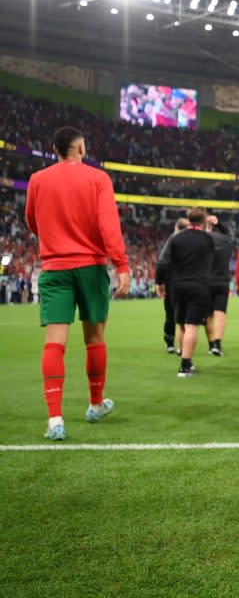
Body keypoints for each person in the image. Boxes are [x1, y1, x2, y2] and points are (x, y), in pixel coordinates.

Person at [25, 126, 131, 441]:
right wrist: (121, 264)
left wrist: (54, 236)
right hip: (91, 267)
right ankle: (96, 405)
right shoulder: (98, 179)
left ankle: (55, 419)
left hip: (55, 268)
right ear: (81, 148)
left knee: (54, 343)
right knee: (95, 339)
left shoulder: (38, 179)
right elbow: (107, 224)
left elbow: (32, 220)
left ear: (54, 149)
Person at [156, 206, 216, 378]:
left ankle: (184, 357)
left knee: (181, 324)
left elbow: (163, 263)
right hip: (199, 284)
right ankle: (185, 365)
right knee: (192, 325)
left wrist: (160, 283)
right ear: (203, 221)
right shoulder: (208, 239)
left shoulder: (176, 239)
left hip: (177, 286)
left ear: (189, 219)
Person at [204, 215, 236, 357]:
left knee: (208, 315)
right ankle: (218, 344)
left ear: (209, 228)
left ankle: (211, 345)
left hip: (206, 281)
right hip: (222, 281)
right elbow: (228, 233)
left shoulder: (204, 239)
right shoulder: (227, 240)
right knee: (220, 313)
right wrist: (219, 223)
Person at [158, 216, 188, 354]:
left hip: (172, 282)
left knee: (170, 314)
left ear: (176, 228)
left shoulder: (172, 241)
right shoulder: (192, 241)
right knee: (185, 316)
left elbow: (162, 262)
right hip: (188, 281)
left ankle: (170, 342)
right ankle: (184, 346)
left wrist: (160, 282)